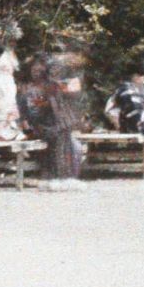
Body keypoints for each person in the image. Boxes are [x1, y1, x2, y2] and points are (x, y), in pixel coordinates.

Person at [18, 56, 86, 190]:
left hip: (56, 125)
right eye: (34, 69)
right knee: (59, 137)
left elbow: (67, 103)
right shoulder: (31, 89)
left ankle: (66, 178)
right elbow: (33, 112)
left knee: (68, 140)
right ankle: (56, 178)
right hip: (40, 127)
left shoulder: (55, 86)